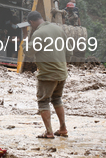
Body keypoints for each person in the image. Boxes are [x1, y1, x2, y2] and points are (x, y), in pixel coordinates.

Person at [26, 11, 70, 139]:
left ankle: (49, 132)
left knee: (43, 102)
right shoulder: (58, 29)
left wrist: (24, 38)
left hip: (47, 74)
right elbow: (70, 51)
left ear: (31, 22)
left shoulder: (38, 33)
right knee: (57, 99)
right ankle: (63, 128)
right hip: (62, 73)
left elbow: (29, 52)